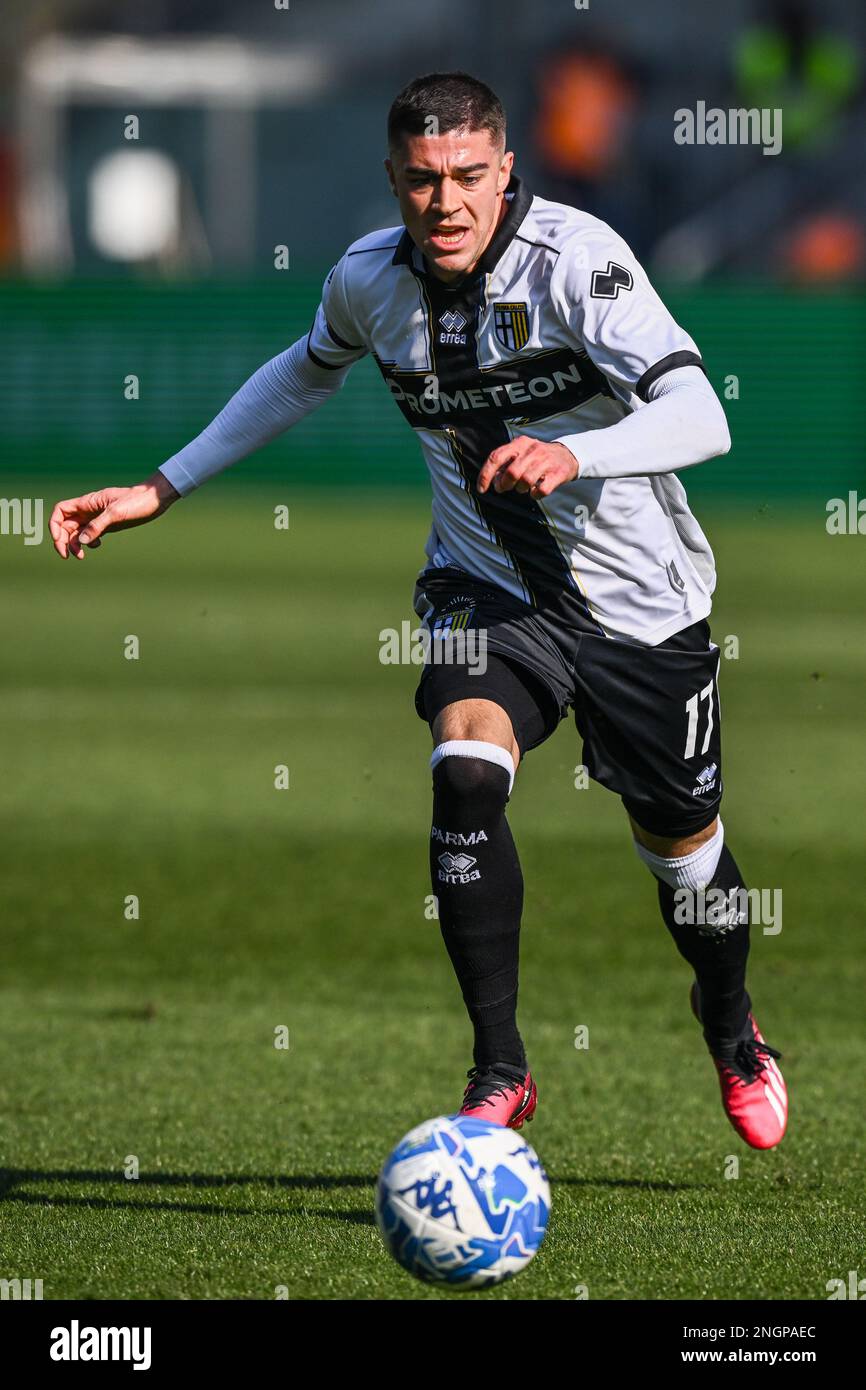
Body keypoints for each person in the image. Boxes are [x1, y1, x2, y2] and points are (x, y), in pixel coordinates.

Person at [50, 71, 787, 1150]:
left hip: (640, 606)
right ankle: (499, 1067)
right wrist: (161, 485)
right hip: (484, 588)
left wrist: (573, 449)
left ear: (505, 171)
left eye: (467, 177)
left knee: (683, 857)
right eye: (420, 179)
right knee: (465, 768)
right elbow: (304, 373)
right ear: (393, 179)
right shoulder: (368, 279)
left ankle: (727, 1023)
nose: (443, 202)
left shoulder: (580, 262)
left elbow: (697, 414)